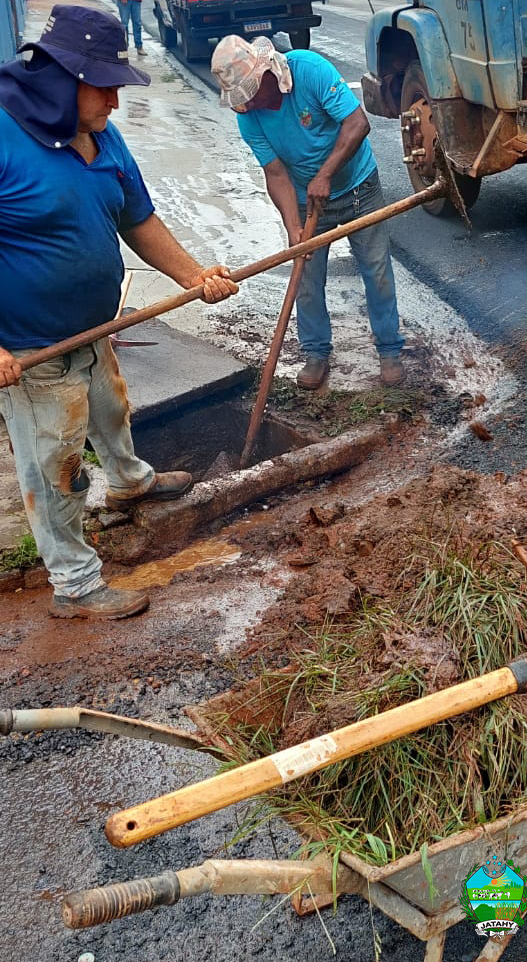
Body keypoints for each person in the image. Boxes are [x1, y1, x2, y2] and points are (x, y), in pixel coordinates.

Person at [0, 5, 238, 621]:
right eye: (103, 85)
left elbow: (137, 217)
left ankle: (130, 483)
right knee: (57, 466)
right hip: (32, 351)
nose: (115, 99)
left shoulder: (103, 135)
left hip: (94, 330)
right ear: (62, 76)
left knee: (110, 412)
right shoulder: (3, 134)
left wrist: (193, 275)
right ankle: (75, 586)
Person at [211, 36, 406, 391]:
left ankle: (390, 350)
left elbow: (358, 123)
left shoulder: (309, 70)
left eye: (252, 92)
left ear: (268, 72)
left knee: (376, 271)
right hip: (307, 202)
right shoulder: (248, 118)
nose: (250, 103)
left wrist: (326, 174)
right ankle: (316, 354)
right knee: (306, 278)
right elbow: (276, 174)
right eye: (243, 98)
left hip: (359, 187)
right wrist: (294, 228)